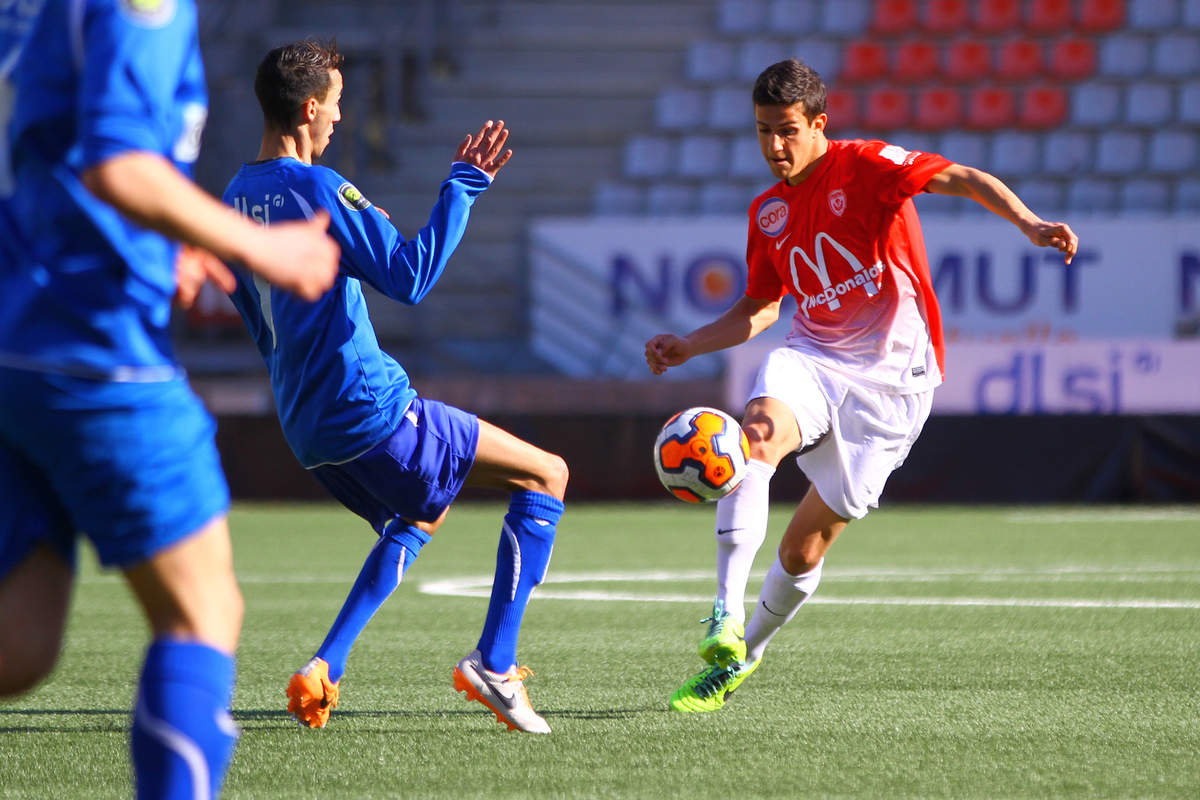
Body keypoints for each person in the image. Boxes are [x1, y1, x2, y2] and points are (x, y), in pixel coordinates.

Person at [644, 58, 1078, 712]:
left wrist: (1029, 223)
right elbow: (762, 307)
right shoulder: (768, 213)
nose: (774, 146)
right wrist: (690, 343)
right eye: (763, 131)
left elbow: (962, 177)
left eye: (787, 130)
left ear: (819, 123)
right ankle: (724, 616)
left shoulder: (868, 165)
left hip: (894, 385)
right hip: (812, 357)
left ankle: (745, 656)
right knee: (756, 436)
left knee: (802, 549)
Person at [0, 1, 339, 798]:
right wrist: (259, 246)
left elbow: (47, 152)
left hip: (16, 339)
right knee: (202, 612)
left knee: (18, 646)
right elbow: (118, 163)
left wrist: (158, 245)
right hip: (93, 347)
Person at [222, 40, 568, 734]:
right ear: (309, 108)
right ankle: (495, 666)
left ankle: (325, 665)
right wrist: (464, 185)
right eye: (336, 105)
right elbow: (410, 277)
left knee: (418, 516)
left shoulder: (233, 197)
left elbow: (256, 323)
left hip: (306, 427)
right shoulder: (319, 190)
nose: (339, 118)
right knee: (546, 474)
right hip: (369, 409)